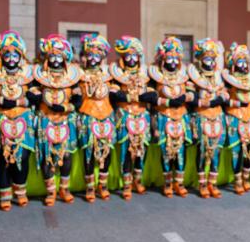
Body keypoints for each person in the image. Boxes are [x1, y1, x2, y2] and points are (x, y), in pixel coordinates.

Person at [0, 31, 37, 211]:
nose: (10, 58)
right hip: (0, 119)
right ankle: (5, 194)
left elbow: (36, 95)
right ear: (1, 55)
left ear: (20, 56)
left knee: (22, 156)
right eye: (7, 54)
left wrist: (22, 101)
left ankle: (20, 189)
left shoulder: (28, 74)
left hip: (23, 120)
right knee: (3, 157)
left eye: (14, 54)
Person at [31, 34, 82, 206]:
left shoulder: (72, 77)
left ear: (64, 57)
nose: (55, 59)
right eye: (52, 55)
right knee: (47, 156)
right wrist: (40, 98)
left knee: (66, 156)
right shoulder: (39, 74)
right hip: (46, 119)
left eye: (58, 56)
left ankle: (64, 188)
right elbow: (31, 94)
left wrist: (66, 108)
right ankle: (51, 191)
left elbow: (78, 100)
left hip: (65, 120)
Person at [147, 36, 191, 198]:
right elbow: (148, 96)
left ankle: (179, 183)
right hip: (163, 116)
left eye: (175, 58)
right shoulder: (155, 75)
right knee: (166, 150)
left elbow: (192, 93)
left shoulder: (184, 75)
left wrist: (186, 98)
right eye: (169, 57)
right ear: (163, 58)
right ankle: (167, 183)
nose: (172, 61)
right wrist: (166, 101)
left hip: (181, 117)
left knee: (180, 150)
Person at [110, 36, 153, 200]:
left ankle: (137, 180)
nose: (132, 58)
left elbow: (152, 95)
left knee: (142, 149)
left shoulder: (145, 74)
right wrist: (134, 97)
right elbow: (115, 94)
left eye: (135, 55)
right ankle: (126, 184)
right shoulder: (116, 74)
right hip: (125, 117)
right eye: (128, 55)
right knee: (127, 150)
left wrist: (142, 97)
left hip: (142, 117)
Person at [76, 34, 116, 202]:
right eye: (90, 54)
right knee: (89, 152)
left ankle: (103, 185)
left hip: (106, 116)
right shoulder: (77, 75)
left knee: (106, 151)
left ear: (102, 57)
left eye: (97, 55)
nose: (93, 58)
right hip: (87, 116)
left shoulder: (110, 75)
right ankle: (90, 187)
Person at [188, 38, 228, 199]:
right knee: (203, 150)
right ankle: (202, 183)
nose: (210, 62)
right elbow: (190, 96)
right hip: (202, 117)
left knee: (216, 150)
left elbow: (224, 95)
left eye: (212, 59)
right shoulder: (194, 75)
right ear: (200, 59)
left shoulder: (218, 76)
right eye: (206, 58)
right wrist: (199, 100)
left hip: (217, 115)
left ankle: (212, 182)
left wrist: (214, 101)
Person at [222, 43, 250, 195]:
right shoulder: (226, 79)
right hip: (234, 117)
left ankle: (246, 178)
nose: (243, 65)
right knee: (236, 150)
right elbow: (222, 98)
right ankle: (238, 181)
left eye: (245, 62)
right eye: (240, 62)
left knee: (249, 150)